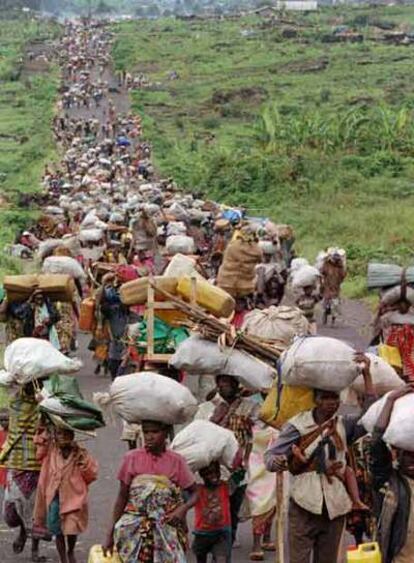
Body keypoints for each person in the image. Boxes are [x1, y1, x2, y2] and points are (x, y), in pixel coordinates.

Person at [264, 355, 375, 563]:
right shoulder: (297, 426)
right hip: (303, 503)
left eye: (334, 398)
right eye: (326, 398)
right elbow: (270, 456)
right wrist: (277, 462)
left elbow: (371, 417)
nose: (331, 403)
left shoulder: (344, 425)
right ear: (316, 399)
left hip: (335, 505)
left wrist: (367, 374)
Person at [103, 419, 198, 562]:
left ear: (166, 433)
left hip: (166, 528)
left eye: (155, 432)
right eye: (146, 432)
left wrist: (181, 510)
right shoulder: (132, 458)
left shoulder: (176, 461)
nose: (149, 436)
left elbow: (196, 493)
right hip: (133, 530)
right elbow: (122, 497)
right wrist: (109, 536)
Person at [196, 374, 259, 544]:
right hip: (213, 467)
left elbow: (262, 427)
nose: (227, 385)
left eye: (231, 382)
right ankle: (213, 538)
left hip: (238, 467)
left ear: (237, 384)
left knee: (233, 505)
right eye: (223, 382)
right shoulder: (205, 408)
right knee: (213, 503)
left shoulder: (249, 407)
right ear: (217, 384)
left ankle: (229, 539)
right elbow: (198, 432)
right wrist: (215, 419)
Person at [33, 426, 98, 563]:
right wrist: (44, 429)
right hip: (54, 497)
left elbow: (91, 474)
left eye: (66, 434)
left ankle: (71, 550)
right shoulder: (51, 450)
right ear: (54, 435)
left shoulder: (80, 453)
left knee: (71, 528)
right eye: (59, 434)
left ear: (72, 435)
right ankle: (63, 557)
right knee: (58, 530)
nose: (62, 437)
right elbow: (38, 447)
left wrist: (83, 463)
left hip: (74, 497)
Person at [0, 383, 45, 562]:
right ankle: (22, 531)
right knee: (10, 512)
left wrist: (44, 405)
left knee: (36, 511)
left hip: (38, 463)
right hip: (16, 461)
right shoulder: (15, 403)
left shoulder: (46, 404)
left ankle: (34, 549)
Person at [370, 384, 414, 562]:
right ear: (397, 456)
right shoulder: (389, 481)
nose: (413, 463)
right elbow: (377, 442)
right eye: (409, 457)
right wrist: (390, 400)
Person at [192, 461, 232, 563]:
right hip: (202, 534)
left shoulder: (225, 487)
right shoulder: (198, 490)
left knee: (221, 559)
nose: (213, 476)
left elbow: (239, 475)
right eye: (208, 473)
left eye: (216, 472)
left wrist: (244, 457)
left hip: (221, 533)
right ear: (202, 475)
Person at [320, 252, 346, 326]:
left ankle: (333, 321)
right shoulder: (327, 265)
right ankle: (325, 315)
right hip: (327, 288)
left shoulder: (340, 267)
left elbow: (343, 276)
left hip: (336, 289)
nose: (336, 261)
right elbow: (322, 272)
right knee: (326, 305)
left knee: (335, 305)